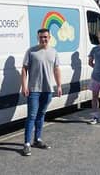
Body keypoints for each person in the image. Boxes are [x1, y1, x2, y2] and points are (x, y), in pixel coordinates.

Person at [21, 28, 62, 156]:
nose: (43, 39)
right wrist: (24, 86)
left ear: (49, 37)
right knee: (32, 116)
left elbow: (56, 70)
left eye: (45, 37)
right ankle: (27, 144)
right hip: (34, 90)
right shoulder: (31, 51)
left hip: (47, 90)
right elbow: (24, 69)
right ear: (38, 37)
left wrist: (59, 85)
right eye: (41, 37)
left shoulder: (53, 52)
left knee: (41, 115)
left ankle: (37, 139)